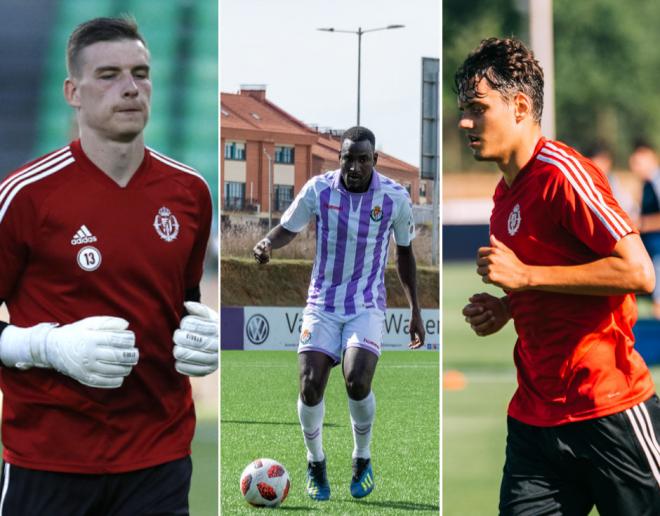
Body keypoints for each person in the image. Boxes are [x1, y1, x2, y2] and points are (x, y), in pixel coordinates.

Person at [0, 17, 218, 514]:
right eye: (109, 75)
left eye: (141, 73)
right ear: (72, 91)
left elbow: (182, 307)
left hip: (158, 458)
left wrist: (204, 337)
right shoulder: (26, 197)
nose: (130, 88)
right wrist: (46, 345)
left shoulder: (190, 193)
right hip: (48, 461)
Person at [457, 37, 660, 515]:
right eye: (463, 109)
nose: (465, 121)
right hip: (535, 421)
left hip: (608, 409)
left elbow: (638, 271)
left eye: (477, 108)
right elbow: (552, 280)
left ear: (520, 106)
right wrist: (507, 307)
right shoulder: (503, 196)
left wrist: (524, 277)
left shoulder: (563, 174)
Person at [253, 126, 425, 501]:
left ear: (374, 160)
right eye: (349, 158)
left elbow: (405, 254)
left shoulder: (395, 198)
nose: (355, 166)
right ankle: (316, 462)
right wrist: (267, 242)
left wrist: (414, 308)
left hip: (366, 305)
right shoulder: (319, 190)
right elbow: (287, 228)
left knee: (357, 380)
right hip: (322, 304)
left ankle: (361, 457)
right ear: (340, 158)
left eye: (363, 159)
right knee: (310, 384)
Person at [629, 140, 660, 318]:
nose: (635, 167)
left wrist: (640, 224)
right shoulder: (647, 184)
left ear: (651, 157)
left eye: (638, 162)